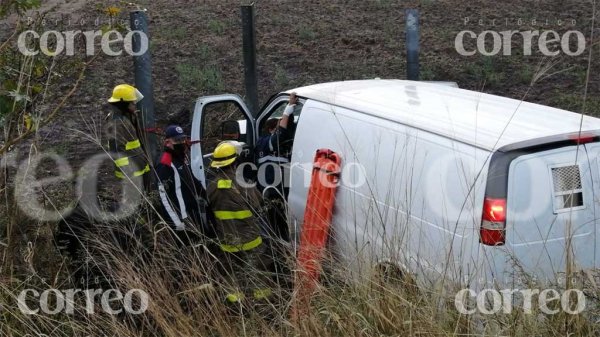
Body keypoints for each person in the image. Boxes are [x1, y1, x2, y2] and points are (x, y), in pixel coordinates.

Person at [207, 141, 273, 309]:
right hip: (251, 241)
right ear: (235, 162)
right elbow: (260, 207)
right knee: (258, 276)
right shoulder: (244, 185)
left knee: (232, 277)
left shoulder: (211, 188)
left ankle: (237, 309)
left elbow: (208, 213)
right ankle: (263, 308)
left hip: (228, 243)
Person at [155, 125, 212, 244]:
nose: (181, 143)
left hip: (192, 212)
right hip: (182, 218)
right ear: (167, 142)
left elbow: (191, 178)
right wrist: (177, 223)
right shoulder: (165, 163)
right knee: (190, 249)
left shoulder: (181, 157)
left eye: (182, 139)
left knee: (203, 243)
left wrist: (204, 195)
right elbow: (163, 197)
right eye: (177, 140)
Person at [105, 84, 152, 194]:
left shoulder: (125, 116)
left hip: (140, 167)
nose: (135, 104)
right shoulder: (116, 123)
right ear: (123, 104)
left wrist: (132, 116)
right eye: (132, 102)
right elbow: (117, 151)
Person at [255, 92, 298, 197]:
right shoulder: (263, 142)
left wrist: (290, 113)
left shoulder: (284, 144)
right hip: (270, 190)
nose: (282, 130)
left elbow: (286, 128)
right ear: (270, 130)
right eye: (277, 127)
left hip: (283, 187)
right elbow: (279, 135)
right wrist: (287, 111)